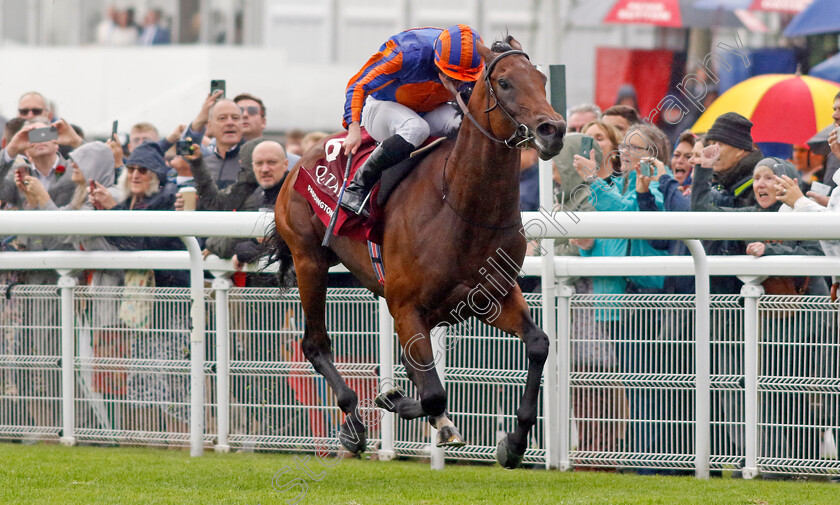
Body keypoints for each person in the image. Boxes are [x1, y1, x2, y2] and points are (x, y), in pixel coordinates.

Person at [339, 24, 485, 218]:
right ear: (438, 62)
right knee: (417, 128)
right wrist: (353, 127)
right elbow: (358, 85)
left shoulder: (474, 65)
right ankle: (358, 186)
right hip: (382, 107)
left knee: (468, 125)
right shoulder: (406, 53)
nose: (459, 85)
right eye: (453, 78)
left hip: (428, 110)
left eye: (465, 79)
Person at [181, 96, 245, 188]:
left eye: (235, 118)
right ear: (210, 126)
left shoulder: (252, 159)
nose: (230, 123)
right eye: (222, 118)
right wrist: (199, 120)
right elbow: (184, 151)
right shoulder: (205, 161)